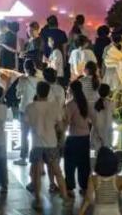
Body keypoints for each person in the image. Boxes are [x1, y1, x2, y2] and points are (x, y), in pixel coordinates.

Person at [25, 81, 70, 210]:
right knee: (57, 171)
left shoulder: (30, 107)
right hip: (51, 143)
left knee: (36, 174)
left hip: (36, 143)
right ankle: (65, 198)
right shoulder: (55, 107)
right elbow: (60, 127)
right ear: (48, 92)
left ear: (37, 91)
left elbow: (27, 127)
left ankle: (38, 200)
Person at [64, 80, 91, 196]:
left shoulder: (70, 105)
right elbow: (90, 120)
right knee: (84, 164)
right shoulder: (86, 103)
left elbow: (67, 121)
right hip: (86, 138)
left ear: (71, 90)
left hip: (73, 138)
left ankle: (70, 188)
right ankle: (84, 187)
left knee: (70, 164)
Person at [14, 59, 40, 166]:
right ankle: (36, 159)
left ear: (25, 69)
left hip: (24, 109)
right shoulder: (39, 80)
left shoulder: (23, 79)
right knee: (35, 135)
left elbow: (17, 95)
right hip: (36, 110)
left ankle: (23, 158)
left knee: (24, 135)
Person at [92, 84, 114, 150]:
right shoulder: (110, 103)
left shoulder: (95, 103)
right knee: (106, 151)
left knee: (97, 152)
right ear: (108, 92)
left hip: (96, 130)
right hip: (107, 131)